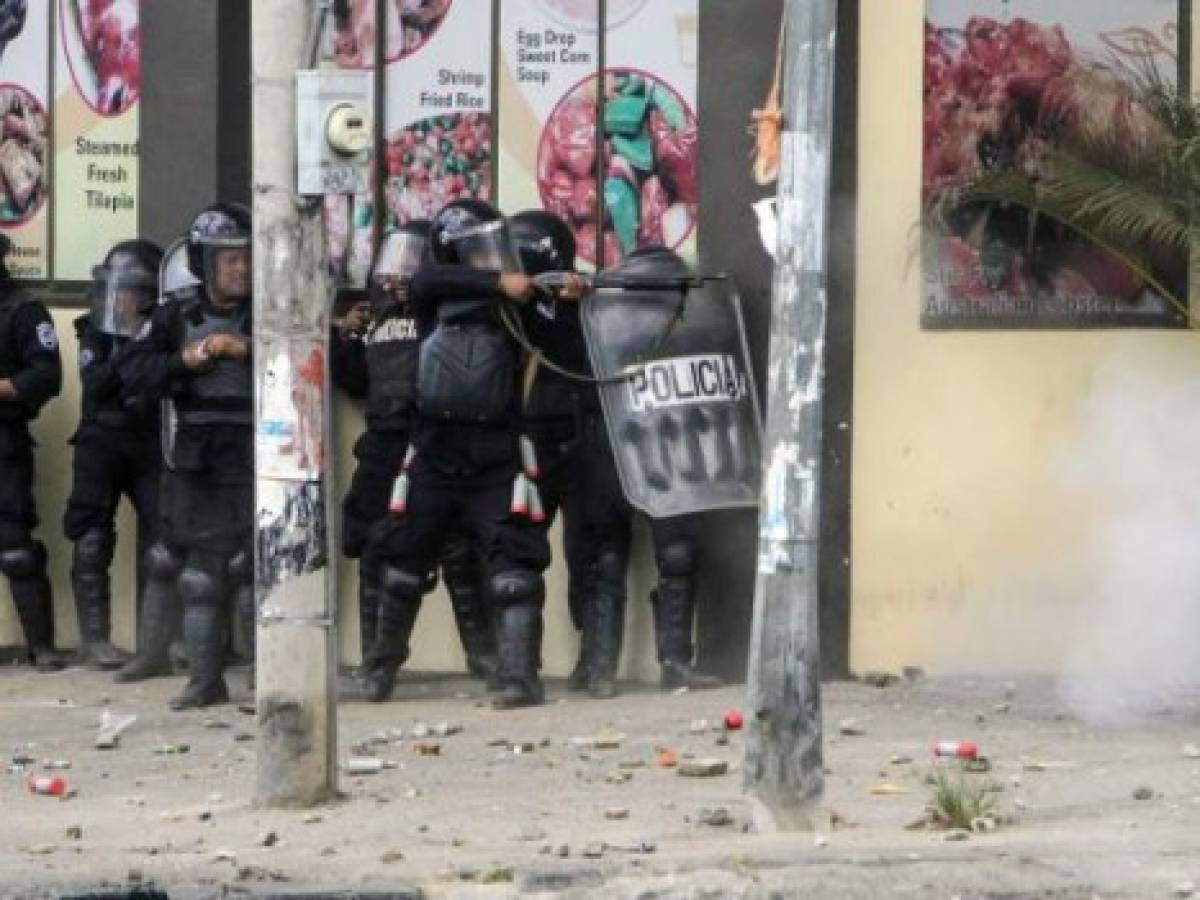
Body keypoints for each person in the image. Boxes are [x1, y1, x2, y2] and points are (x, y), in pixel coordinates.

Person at [367, 199, 551, 709]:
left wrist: (554, 290)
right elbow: (427, 282)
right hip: (433, 450)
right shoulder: (433, 293)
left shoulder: (518, 302)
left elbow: (549, 311)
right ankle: (380, 669)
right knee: (403, 565)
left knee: (515, 572)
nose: (489, 261)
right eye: (476, 252)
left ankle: (518, 677)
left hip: (496, 453)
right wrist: (497, 285)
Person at [332, 221, 498, 689]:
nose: (399, 274)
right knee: (373, 547)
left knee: (456, 552)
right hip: (383, 443)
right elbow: (356, 381)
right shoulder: (376, 321)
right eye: (394, 262)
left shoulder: (444, 314)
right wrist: (344, 339)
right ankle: (375, 661)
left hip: (430, 441)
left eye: (412, 263)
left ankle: (483, 660)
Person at [118, 203, 254, 709]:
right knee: (195, 573)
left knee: (254, 567)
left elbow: (312, 358)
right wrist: (185, 360)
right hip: (195, 456)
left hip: (255, 453)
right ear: (205, 264)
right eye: (229, 260)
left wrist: (248, 350)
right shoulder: (175, 315)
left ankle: (270, 674)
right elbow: (132, 375)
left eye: (246, 259)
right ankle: (201, 678)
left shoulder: (270, 311)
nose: (240, 269)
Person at [509, 209, 630, 699]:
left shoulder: (586, 306)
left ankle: (598, 667)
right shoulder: (504, 303)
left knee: (599, 551)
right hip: (532, 434)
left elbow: (579, 354)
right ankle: (518, 671)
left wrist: (572, 304)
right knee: (516, 555)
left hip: (590, 431)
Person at [63, 240, 164, 670]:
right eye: (122, 291)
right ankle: (95, 640)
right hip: (101, 440)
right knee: (91, 536)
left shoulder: (163, 329)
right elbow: (97, 384)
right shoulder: (94, 331)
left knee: (165, 535)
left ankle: (159, 640)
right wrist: (132, 352)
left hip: (147, 439)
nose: (128, 300)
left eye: (137, 292)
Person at [0, 233, 67, 671]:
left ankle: (41, 647)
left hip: (3, 442)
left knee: (14, 549)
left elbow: (46, 375)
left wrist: (5, 387)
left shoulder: (22, 310)